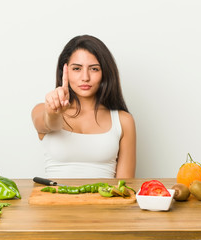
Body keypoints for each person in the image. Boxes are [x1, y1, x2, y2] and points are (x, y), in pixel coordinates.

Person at [31, 35, 136, 178]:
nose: (85, 77)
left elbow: (125, 186)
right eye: (77, 69)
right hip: (53, 199)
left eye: (94, 69)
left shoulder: (123, 120)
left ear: (104, 73)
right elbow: (50, 124)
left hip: (105, 200)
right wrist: (54, 113)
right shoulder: (42, 110)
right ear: (64, 72)